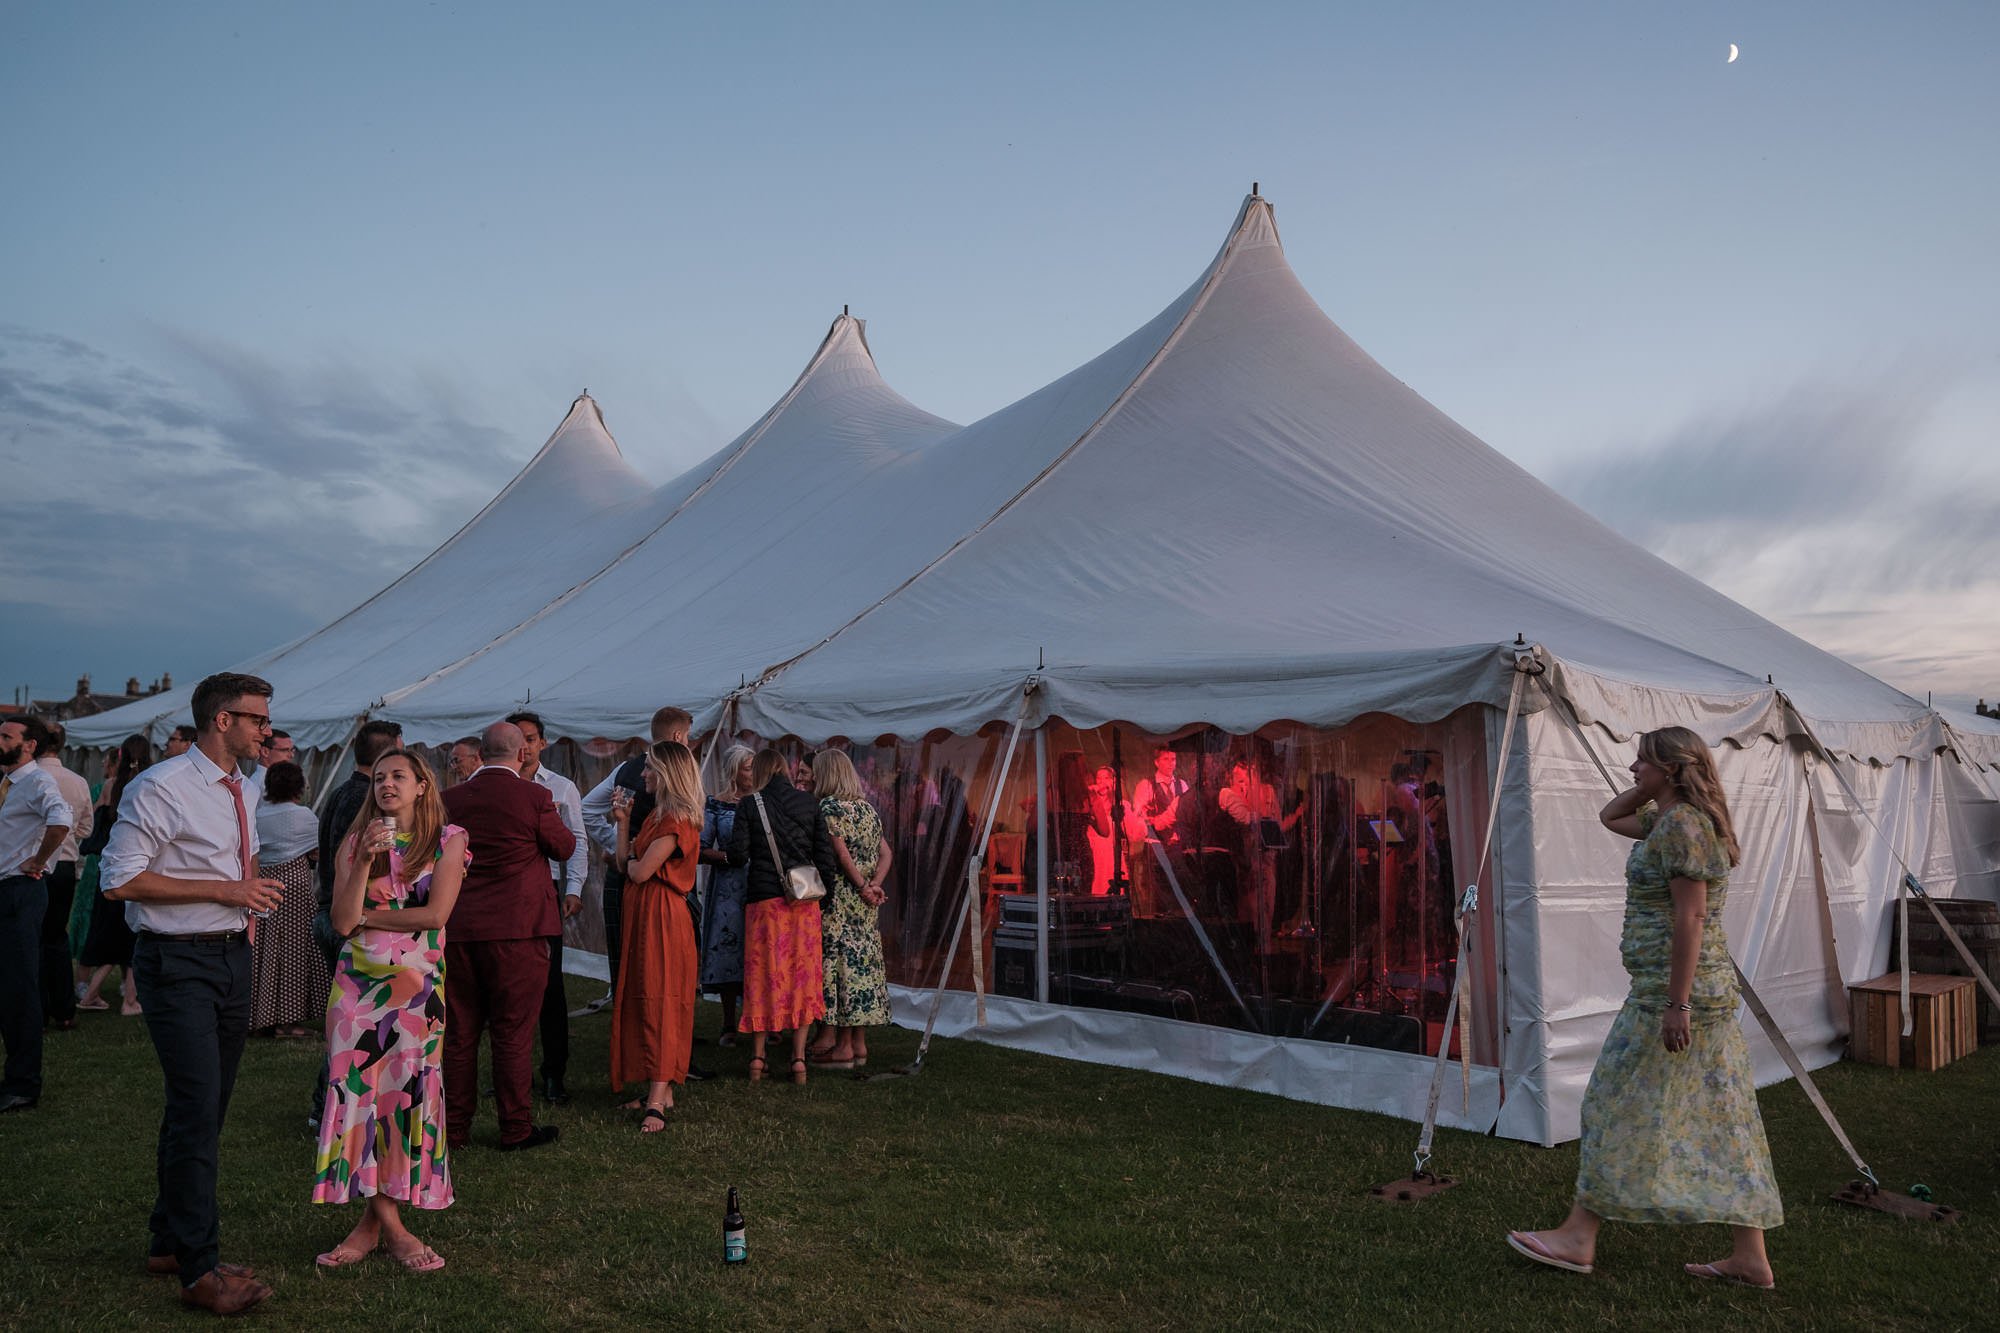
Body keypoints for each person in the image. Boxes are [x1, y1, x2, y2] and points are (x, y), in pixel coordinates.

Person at [1507, 726, 1780, 1290]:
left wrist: (1675, 1003)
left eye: (1642, 762)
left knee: (1612, 1101)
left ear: (1673, 769)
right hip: (1687, 992)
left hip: (1674, 996)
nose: (1631, 769)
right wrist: (1654, 788)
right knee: (1723, 1116)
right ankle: (1750, 1256)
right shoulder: (1672, 820)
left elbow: (1691, 918)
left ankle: (1579, 1235)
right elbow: (1611, 818)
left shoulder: (1682, 826)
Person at [100, 672, 284, 1316]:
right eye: (258, 718)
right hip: (177, 964)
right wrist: (226, 893)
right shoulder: (162, 786)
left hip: (231, 958)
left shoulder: (245, 787)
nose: (267, 728)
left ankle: (168, 1243)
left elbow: (243, 860)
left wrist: (246, 916)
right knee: (196, 1107)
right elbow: (119, 880)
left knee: (204, 1108)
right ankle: (200, 1270)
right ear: (222, 720)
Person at [313, 749, 468, 1273]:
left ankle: (372, 1226)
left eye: (399, 776)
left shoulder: (449, 840)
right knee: (360, 1100)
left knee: (403, 1102)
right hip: (356, 995)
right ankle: (394, 1230)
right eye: (379, 777)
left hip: (418, 994)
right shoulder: (356, 843)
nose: (386, 784)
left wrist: (370, 918)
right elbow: (340, 920)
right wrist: (361, 864)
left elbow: (437, 913)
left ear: (423, 785)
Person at [439, 721, 574, 1152]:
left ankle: (453, 1130)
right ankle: (515, 1128)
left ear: (480, 753)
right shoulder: (535, 797)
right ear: (521, 755)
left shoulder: (450, 800)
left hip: (459, 926)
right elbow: (565, 846)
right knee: (513, 1031)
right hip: (520, 928)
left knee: (459, 1034)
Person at [309, 718, 402, 1127]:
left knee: (347, 1021)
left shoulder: (341, 792)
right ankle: (326, 1109)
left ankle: (336, 1107)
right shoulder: (364, 802)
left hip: (333, 912)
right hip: (348, 918)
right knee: (351, 1024)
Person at [726, 748, 839, 1085]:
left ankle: (758, 1058)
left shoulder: (749, 804)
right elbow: (825, 858)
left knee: (762, 976)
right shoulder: (810, 804)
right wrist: (825, 898)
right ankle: (799, 1058)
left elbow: (737, 855)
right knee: (803, 979)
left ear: (760, 771)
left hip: (764, 903)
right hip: (804, 904)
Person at [607, 740, 702, 1129]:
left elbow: (640, 871)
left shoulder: (676, 821)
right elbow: (622, 863)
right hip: (645, 913)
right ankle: (659, 1089)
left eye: (649, 768)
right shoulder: (654, 818)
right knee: (643, 995)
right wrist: (623, 823)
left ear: (666, 774)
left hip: (662, 916)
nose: (642, 774)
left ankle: (658, 1100)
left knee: (662, 998)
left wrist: (631, 859)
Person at [581, 706, 692, 1005]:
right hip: (658, 881)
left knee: (629, 956)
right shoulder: (684, 779)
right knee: (649, 960)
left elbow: (587, 808)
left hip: (629, 873)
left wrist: (618, 846)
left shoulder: (625, 768)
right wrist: (621, 848)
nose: (645, 774)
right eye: (688, 737)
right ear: (679, 735)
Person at [509, 711, 587, 1106]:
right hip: (503, 890)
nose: (524, 747)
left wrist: (573, 887)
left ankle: (554, 1072)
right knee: (504, 986)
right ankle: (509, 1073)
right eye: (517, 739)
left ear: (542, 743)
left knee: (549, 985)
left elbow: (577, 839)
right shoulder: (488, 784)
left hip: (547, 888)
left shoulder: (561, 787)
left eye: (531, 738)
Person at [1, 716, 74, 1112]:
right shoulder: (7, 782)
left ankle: (23, 1084)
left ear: (29, 745)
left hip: (20, 891)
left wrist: (39, 860)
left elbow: (62, 822)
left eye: (6, 736)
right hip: (6, 890)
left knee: (19, 989)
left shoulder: (38, 781)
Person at [808, 749, 891, 1069]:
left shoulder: (828, 807)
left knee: (840, 969)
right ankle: (858, 1045)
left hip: (842, 900)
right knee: (862, 970)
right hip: (866, 905)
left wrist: (860, 886)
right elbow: (887, 854)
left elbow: (840, 855)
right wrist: (874, 885)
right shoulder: (868, 809)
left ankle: (841, 1046)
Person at [249, 762, 327, 1036]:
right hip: (294, 883)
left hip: (264, 882)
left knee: (265, 950)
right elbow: (318, 849)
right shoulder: (303, 815)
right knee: (294, 952)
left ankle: (262, 1013)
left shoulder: (258, 816)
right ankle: (289, 1020)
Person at [77, 734, 152, 1016]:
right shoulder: (149, 783)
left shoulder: (110, 785)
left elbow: (95, 819)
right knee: (129, 937)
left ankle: (96, 992)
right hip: (138, 865)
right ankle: (128, 999)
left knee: (110, 934)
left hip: (109, 866)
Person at [34, 720, 94, 1031]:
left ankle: (38, 1009)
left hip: (33, 865)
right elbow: (85, 828)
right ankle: (64, 1009)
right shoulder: (77, 781)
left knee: (30, 938)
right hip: (66, 866)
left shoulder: (26, 778)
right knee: (57, 937)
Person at [697, 745, 755, 1042]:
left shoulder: (762, 802)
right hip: (728, 887)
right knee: (728, 949)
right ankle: (729, 1021)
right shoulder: (716, 804)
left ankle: (761, 1018)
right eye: (748, 767)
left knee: (758, 950)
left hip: (759, 883)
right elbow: (700, 846)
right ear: (734, 771)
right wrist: (724, 858)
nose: (753, 772)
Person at [1128, 747, 1188, 917]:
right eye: (1166, 759)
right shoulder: (1146, 785)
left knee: (1178, 891)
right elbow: (1139, 816)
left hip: (1177, 845)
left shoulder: (1181, 785)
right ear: (1156, 762)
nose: (1171, 763)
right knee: (1159, 895)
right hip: (1155, 847)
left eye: (1173, 759)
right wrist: (1151, 820)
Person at [244, 728, 295, 803]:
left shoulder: (272, 780)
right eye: (285, 750)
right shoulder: (257, 784)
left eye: (292, 750)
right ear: (265, 752)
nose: (291, 755)